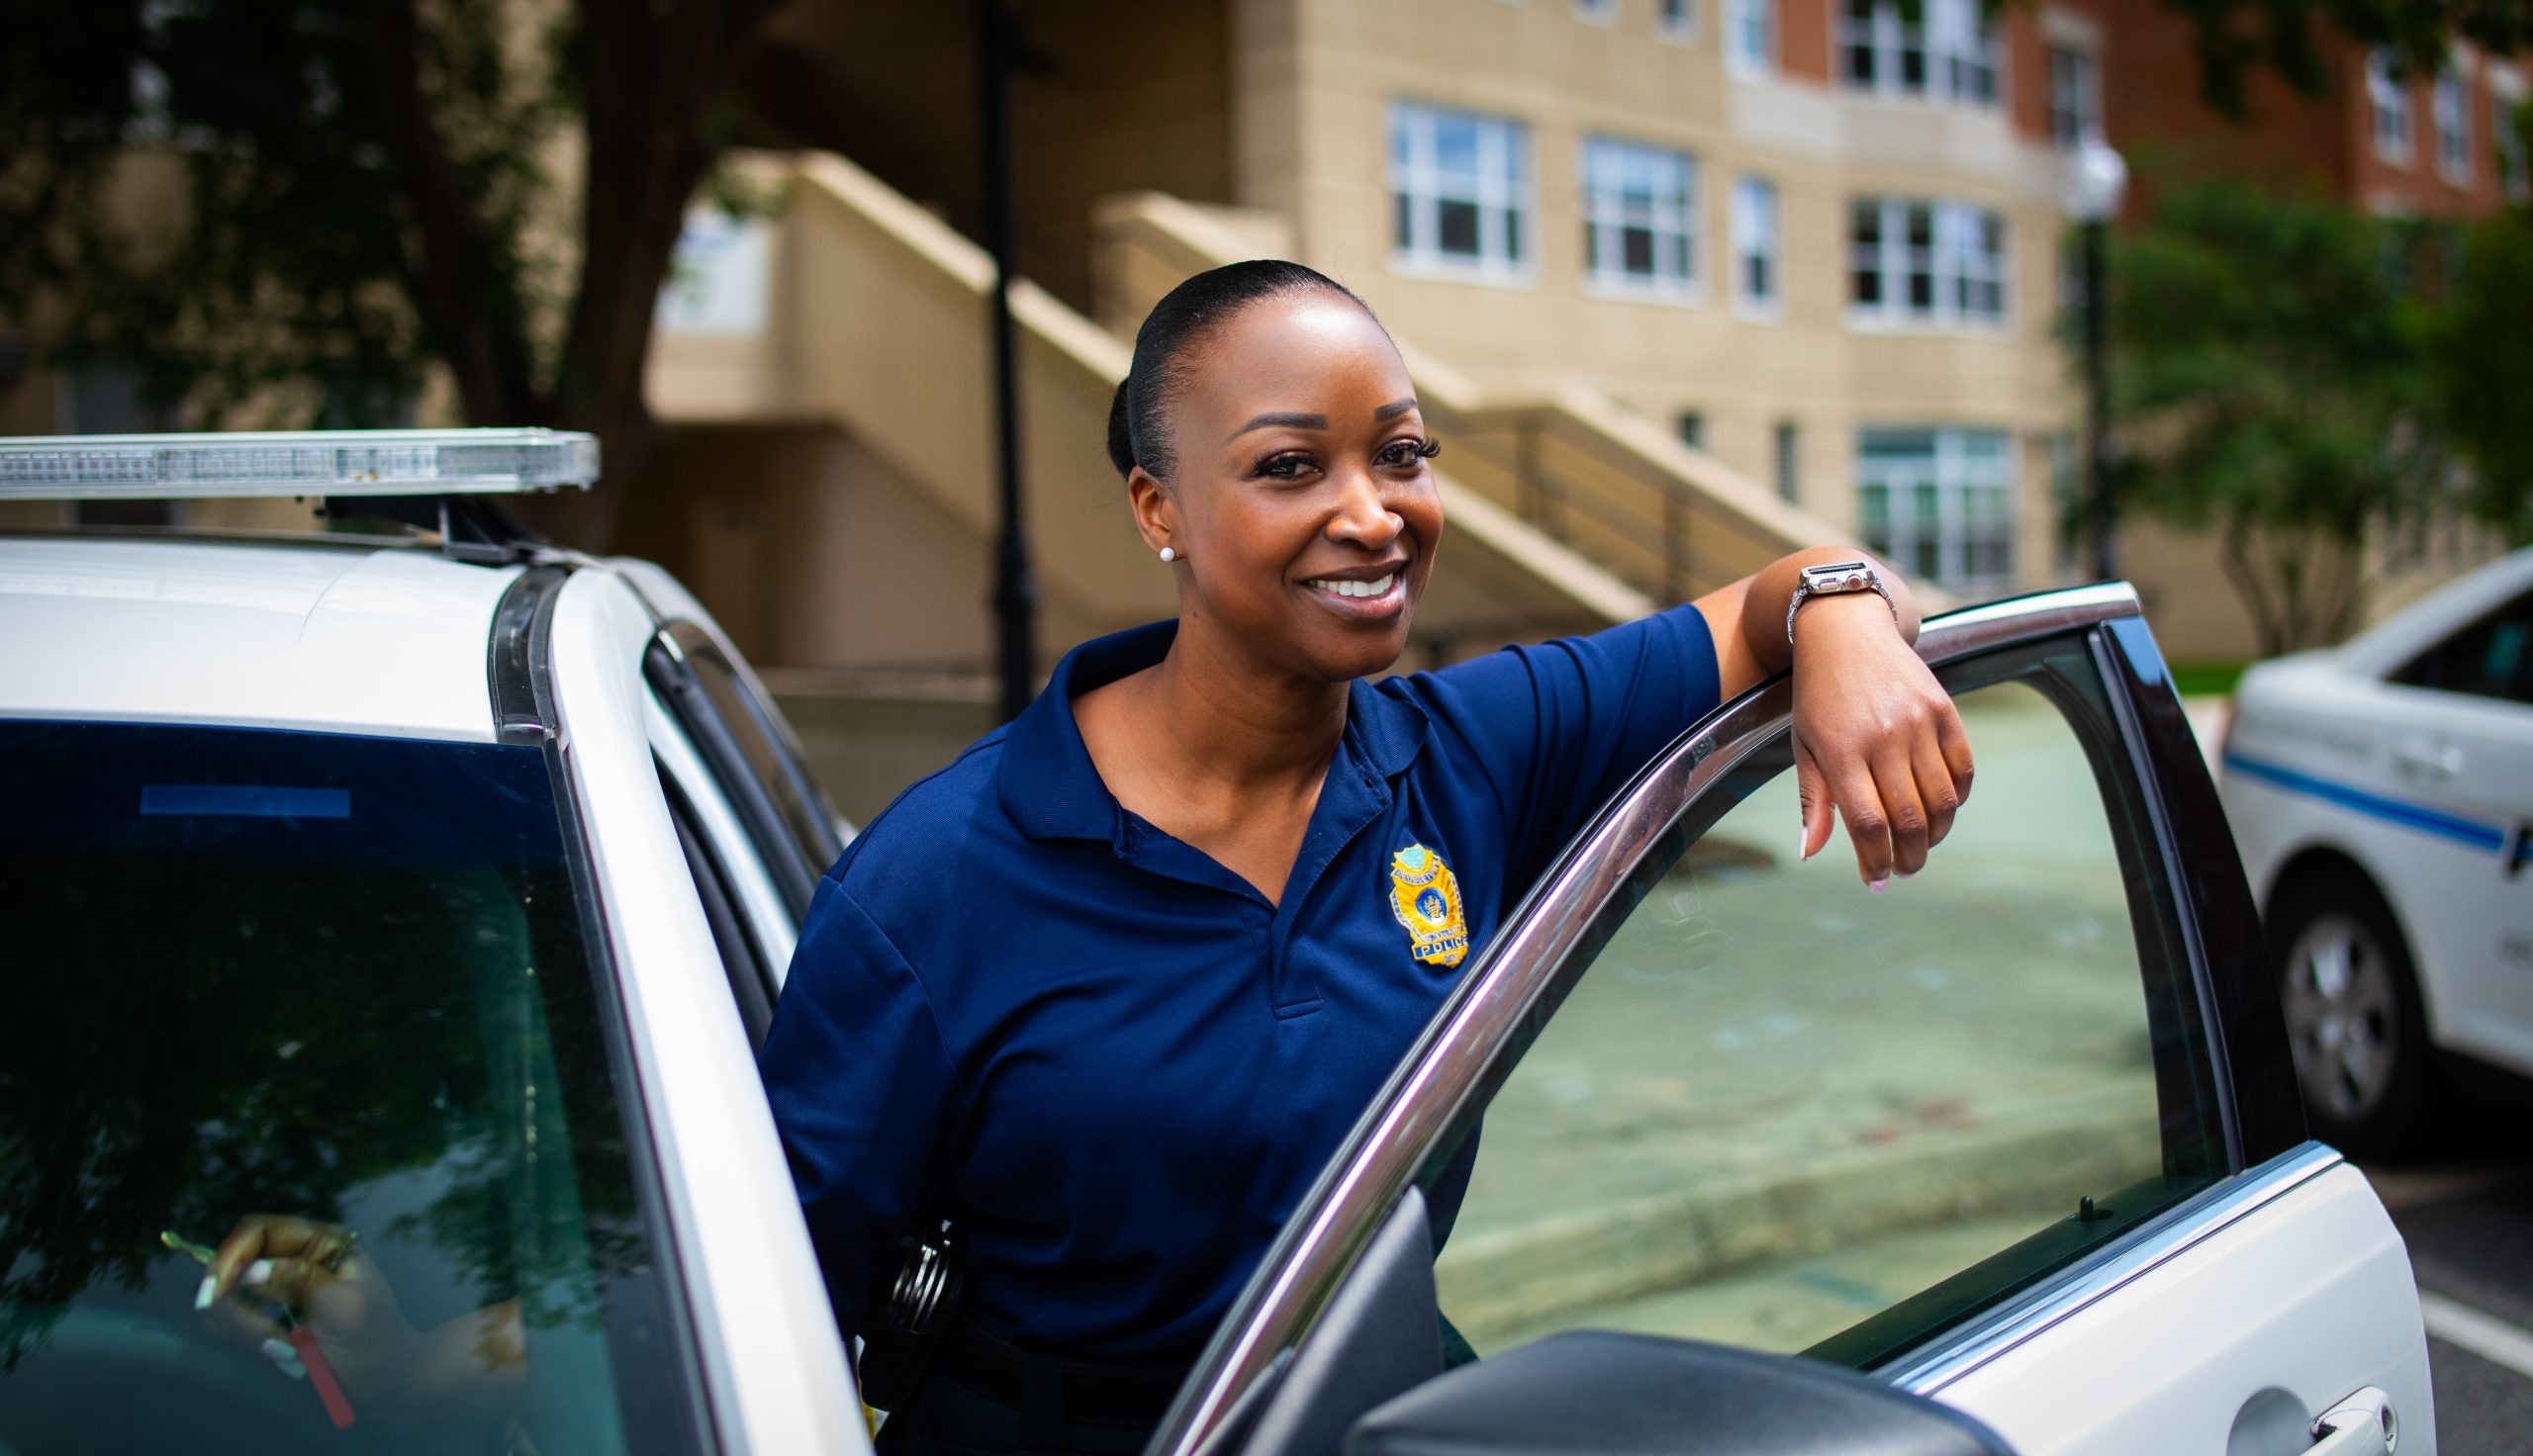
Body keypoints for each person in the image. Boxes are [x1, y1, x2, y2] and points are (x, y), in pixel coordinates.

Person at [760, 260, 1973, 1456]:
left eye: (1399, 453)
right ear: (1157, 508)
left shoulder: (1473, 751)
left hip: (1372, 1402)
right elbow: (781, 1319)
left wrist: (1844, 615)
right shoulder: (934, 879)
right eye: (1289, 465)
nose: (1371, 511)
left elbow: (1780, 598)